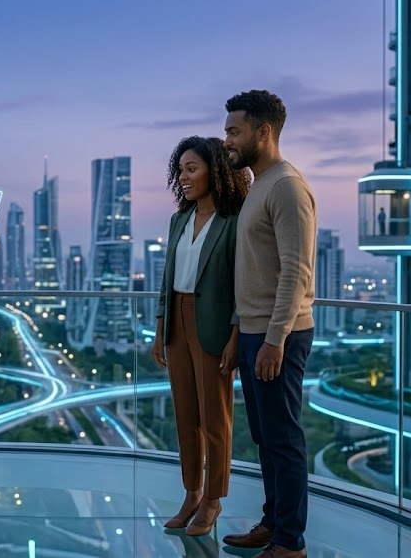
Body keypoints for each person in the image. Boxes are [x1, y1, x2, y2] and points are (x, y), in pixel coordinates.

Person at [221, 90, 317, 558]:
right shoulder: (258, 183)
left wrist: (274, 340)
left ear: (264, 132)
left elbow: (296, 270)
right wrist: (243, 330)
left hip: (281, 334)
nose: (227, 141)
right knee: (264, 438)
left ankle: (290, 543)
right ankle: (273, 523)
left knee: (284, 439)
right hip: (256, 331)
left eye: (234, 131)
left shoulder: (286, 186)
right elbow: (254, 269)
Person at [151, 136, 250, 536]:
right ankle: (191, 493)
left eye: (192, 169)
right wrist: (160, 328)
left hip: (214, 325)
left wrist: (236, 335)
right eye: (181, 170)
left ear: (216, 171)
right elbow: (167, 280)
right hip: (177, 319)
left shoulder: (234, 220)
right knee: (185, 416)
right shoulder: (179, 219)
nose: (184, 176)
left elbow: (243, 283)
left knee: (215, 419)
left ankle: (213, 500)